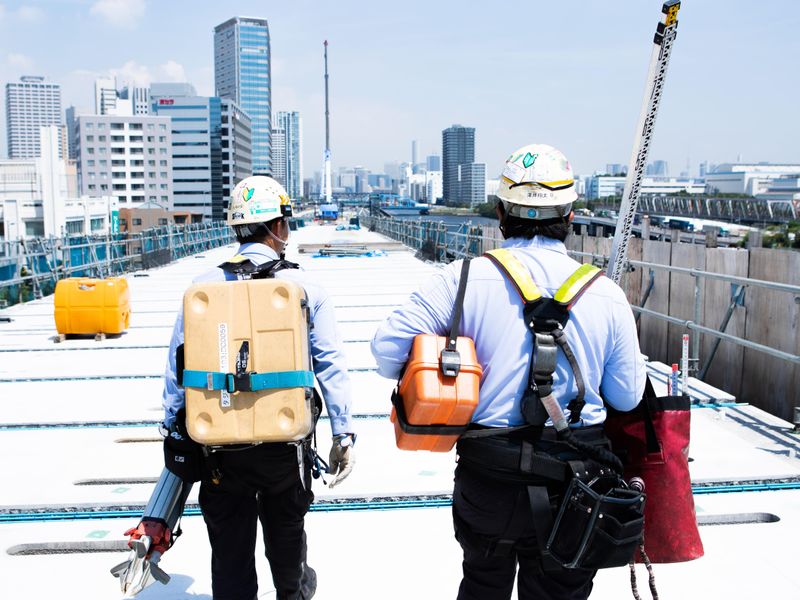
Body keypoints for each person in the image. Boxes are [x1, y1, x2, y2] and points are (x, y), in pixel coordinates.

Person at [371, 144, 646, 600]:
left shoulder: (461, 279)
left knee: (484, 584)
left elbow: (385, 352)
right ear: (570, 215)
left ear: (500, 212)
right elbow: (627, 397)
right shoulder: (606, 295)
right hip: (577, 483)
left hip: (490, 478)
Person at [162, 175, 356, 600]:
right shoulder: (306, 288)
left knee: (230, 558)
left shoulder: (201, 289)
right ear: (279, 227)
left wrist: (173, 426)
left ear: (237, 228)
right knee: (288, 546)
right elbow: (330, 364)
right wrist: (343, 434)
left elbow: (179, 367)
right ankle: (293, 590)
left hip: (218, 450)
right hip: (283, 450)